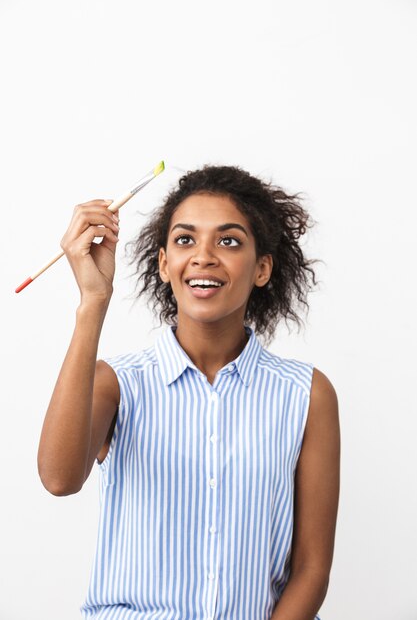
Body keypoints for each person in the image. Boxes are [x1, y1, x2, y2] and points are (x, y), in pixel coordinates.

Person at [38, 165, 340, 620]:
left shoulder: (306, 394)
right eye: (185, 240)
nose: (203, 256)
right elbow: (59, 480)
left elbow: (311, 569)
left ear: (262, 268)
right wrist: (93, 302)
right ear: (164, 264)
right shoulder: (117, 384)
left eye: (229, 240)